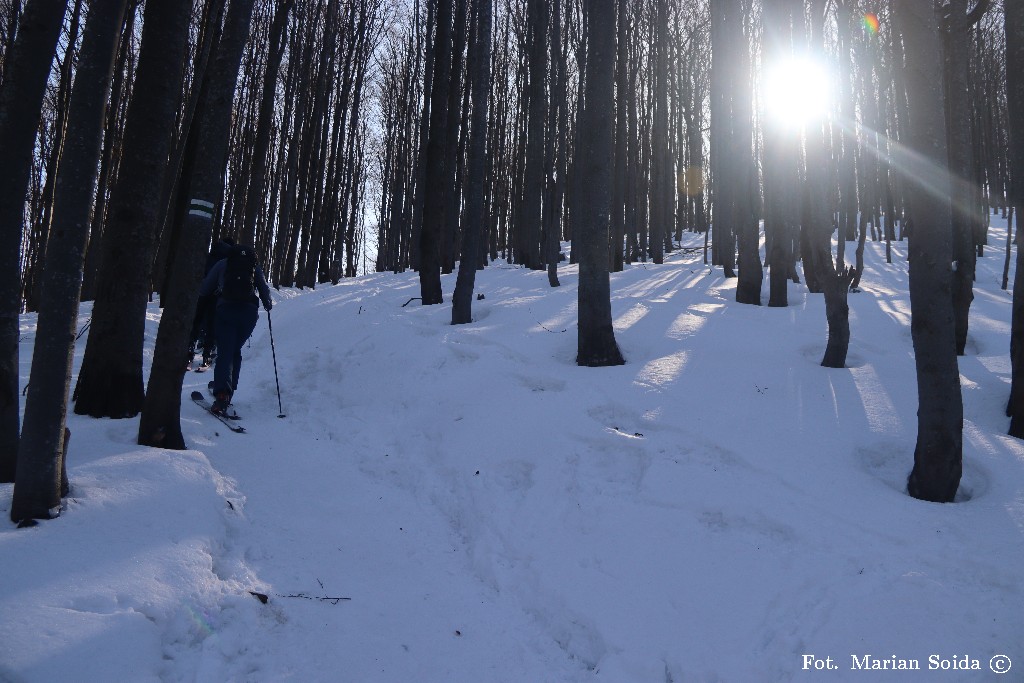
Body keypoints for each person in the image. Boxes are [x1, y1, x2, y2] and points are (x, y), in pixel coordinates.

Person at [198, 243, 273, 415]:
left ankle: (222, 393)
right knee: (234, 350)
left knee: (225, 352)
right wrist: (267, 304)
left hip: (226, 311)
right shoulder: (254, 268)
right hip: (248, 314)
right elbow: (264, 290)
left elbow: (205, 289)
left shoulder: (222, 264)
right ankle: (229, 388)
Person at [188, 237, 235, 368]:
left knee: (196, 321)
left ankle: (189, 350)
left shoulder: (210, 254)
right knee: (212, 324)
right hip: (217, 295)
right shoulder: (229, 260)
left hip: (202, 292)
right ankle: (207, 354)